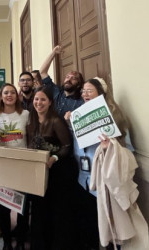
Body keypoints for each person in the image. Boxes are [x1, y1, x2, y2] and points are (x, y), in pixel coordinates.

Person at [70, 77, 136, 250]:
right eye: (83, 91)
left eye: (89, 90)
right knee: (89, 225)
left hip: (105, 183)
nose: (85, 94)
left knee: (111, 229)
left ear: (101, 93)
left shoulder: (115, 117)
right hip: (83, 180)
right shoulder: (79, 115)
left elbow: (129, 150)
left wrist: (111, 146)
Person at [26, 86, 79, 250]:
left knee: (54, 211)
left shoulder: (56, 121)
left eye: (43, 99)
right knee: (39, 211)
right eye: (36, 99)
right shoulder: (31, 120)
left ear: (50, 102)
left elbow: (67, 146)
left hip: (56, 172)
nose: (38, 102)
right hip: (38, 172)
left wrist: (54, 158)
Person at [0, 83, 29, 250]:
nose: (9, 95)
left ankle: (20, 241)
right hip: (4, 164)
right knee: (4, 206)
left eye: (12, 92)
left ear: (17, 95)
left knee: (22, 206)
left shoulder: (26, 114)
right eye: (5, 92)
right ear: (1, 96)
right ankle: (7, 241)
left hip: (23, 164)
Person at [39, 45, 84, 118]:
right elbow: (42, 72)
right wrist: (53, 53)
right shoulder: (56, 91)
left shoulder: (81, 101)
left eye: (73, 78)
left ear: (78, 84)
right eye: (67, 77)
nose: (68, 80)